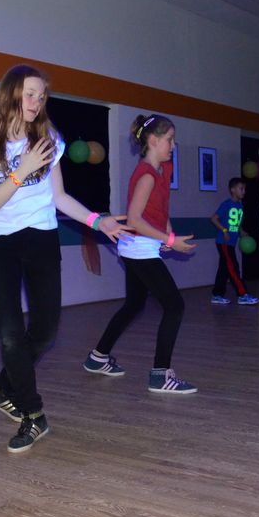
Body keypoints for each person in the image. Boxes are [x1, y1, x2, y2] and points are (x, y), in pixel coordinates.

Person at [0, 65, 129, 453]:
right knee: (9, 334)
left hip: (40, 239)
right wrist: (20, 171)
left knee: (45, 331)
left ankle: (3, 387)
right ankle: (33, 413)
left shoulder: (49, 139)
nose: (36, 102)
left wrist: (97, 221)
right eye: (29, 94)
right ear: (10, 94)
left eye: (41, 96)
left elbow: (58, 198)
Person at [87, 114, 198, 394]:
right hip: (138, 247)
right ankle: (160, 376)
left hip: (142, 246)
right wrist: (169, 239)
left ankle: (98, 357)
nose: (173, 145)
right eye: (169, 139)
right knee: (175, 306)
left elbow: (161, 209)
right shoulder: (146, 174)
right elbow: (135, 219)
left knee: (134, 304)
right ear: (153, 140)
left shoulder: (164, 169)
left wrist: (167, 234)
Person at [209, 177, 258, 305]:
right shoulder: (227, 204)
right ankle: (243, 295)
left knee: (224, 269)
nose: (244, 191)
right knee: (233, 267)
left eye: (244, 189)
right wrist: (224, 231)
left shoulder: (240, 206)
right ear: (232, 190)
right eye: (241, 189)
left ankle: (217, 294)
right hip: (223, 242)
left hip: (231, 242)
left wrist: (241, 231)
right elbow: (214, 219)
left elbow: (237, 223)